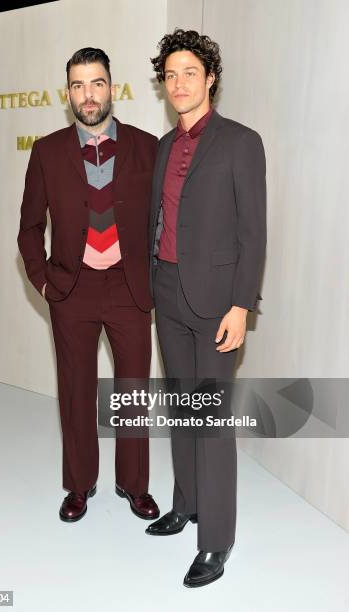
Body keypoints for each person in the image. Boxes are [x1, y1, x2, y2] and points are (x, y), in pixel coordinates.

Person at [17, 47, 159, 523]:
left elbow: (164, 221)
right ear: (67, 94)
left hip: (129, 288)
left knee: (134, 390)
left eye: (96, 83)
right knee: (75, 389)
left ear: (111, 88)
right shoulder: (47, 151)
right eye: (78, 85)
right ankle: (78, 485)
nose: (88, 94)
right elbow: (29, 227)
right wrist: (42, 281)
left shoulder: (147, 146)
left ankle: (134, 485)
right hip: (71, 290)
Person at [146, 29, 266, 587]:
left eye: (189, 72)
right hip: (167, 293)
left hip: (218, 303)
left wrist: (242, 305)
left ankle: (216, 539)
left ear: (210, 78)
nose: (179, 83)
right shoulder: (164, 145)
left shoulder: (242, 142)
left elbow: (253, 233)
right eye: (170, 74)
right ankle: (186, 504)